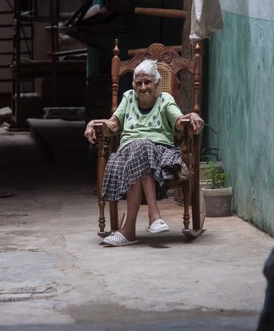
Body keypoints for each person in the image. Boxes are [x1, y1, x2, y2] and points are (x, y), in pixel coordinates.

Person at [84, 59, 204, 246]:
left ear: (156, 84)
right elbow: (113, 124)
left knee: (142, 146)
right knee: (138, 147)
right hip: (127, 155)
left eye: (147, 82)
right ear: (134, 85)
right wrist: (94, 122)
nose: (143, 87)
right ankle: (154, 216)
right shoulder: (128, 98)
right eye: (138, 83)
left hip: (160, 153)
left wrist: (192, 117)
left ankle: (129, 230)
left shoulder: (165, 100)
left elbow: (179, 122)